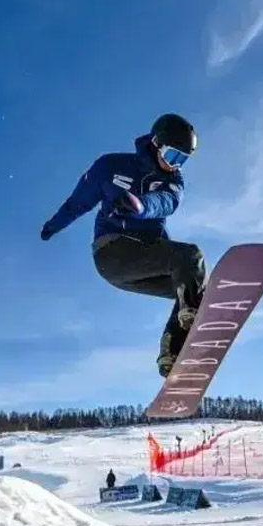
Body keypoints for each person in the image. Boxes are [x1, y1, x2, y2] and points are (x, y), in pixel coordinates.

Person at [40, 113, 205, 377]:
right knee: (191, 256)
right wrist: (52, 226)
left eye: (183, 160)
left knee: (193, 288)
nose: (175, 166)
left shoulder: (174, 181)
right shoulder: (110, 166)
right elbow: (78, 203)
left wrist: (141, 206)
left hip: (141, 263)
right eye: (173, 156)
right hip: (113, 252)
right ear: (156, 142)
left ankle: (171, 352)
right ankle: (191, 313)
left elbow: (167, 202)